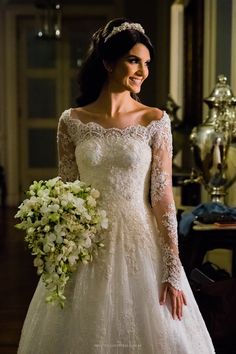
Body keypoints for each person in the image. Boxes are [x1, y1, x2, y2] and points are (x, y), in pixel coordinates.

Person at [17, 18, 215, 353]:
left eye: (147, 63)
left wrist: (171, 267)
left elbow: (163, 196)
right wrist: (59, 240)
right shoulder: (72, 121)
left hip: (141, 240)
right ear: (109, 63)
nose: (142, 71)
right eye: (133, 60)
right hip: (87, 243)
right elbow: (66, 190)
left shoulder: (155, 121)